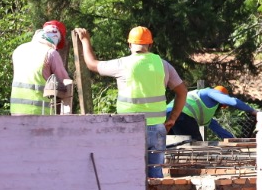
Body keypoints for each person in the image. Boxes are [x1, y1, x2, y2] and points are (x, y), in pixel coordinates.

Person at [73, 25, 187, 178]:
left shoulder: (122, 64)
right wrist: (172, 118)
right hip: (156, 128)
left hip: (129, 127)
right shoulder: (162, 65)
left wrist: (85, 40)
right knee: (155, 175)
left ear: (129, 44)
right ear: (150, 44)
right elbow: (182, 92)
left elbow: (92, 64)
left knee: (130, 175)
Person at [10, 23, 73, 114]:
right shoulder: (50, 53)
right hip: (40, 112)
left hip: (16, 110)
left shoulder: (18, 50)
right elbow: (65, 83)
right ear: (55, 39)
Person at [170, 86, 259, 141]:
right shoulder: (211, 92)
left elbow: (218, 129)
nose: (219, 107)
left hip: (167, 115)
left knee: (171, 146)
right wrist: (253, 111)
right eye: (220, 105)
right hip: (181, 115)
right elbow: (233, 102)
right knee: (195, 147)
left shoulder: (205, 115)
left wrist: (233, 140)